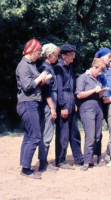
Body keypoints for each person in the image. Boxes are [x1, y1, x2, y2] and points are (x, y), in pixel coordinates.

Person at [16, 38, 48, 179]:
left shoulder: (31, 64)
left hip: (31, 102)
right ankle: (26, 169)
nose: (40, 55)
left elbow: (33, 83)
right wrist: (40, 77)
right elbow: (27, 86)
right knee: (35, 136)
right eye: (39, 52)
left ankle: (25, 165)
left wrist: (42, 80)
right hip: (28, 103)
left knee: (29, 135)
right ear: (33, 51)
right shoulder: (23, 66)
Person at [54, 44, 84, 169]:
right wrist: (63, 106)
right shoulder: (58, 68)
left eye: (74, 54)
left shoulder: (69, 67)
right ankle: (60, 160)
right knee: (63, 134)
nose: (73, 57)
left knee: (74, 132)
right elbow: (59, 89)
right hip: (64, 102)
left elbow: (71, 86)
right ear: (64, 56)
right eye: (71, 55)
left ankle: (79, 158)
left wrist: (75, 103)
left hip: (71, 101)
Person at [76, 58, 107, 171]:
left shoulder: (97, 79)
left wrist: (101, 92)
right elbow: (79, 95)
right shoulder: (82, 78)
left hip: (98, 107)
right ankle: (87, 162)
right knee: (90, 136)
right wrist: (94, 90)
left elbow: (97, 95)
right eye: (99, 70)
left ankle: (95, 158)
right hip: (87, 108)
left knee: (97, 136)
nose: (100, 73)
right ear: (94, 67)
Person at [38, 43, 60, 172]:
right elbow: (46, 91)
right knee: (47, 132)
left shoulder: (49, 67)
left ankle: (44, 160)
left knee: (47, 132)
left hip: (51, 101)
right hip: (49, 104)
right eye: (56, 55)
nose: (57, 58)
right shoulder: (45, 68)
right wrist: (52, 108)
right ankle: (42, 163)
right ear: (50, 55)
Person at [93, 47, 111, 163]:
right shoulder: (97, 69)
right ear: (101, 57)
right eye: (108, 57)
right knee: (97, 131)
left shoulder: (110, 70)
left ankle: (109, 153)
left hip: (109, 101)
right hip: (99, 102)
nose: (110, 60)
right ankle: (97, 155)